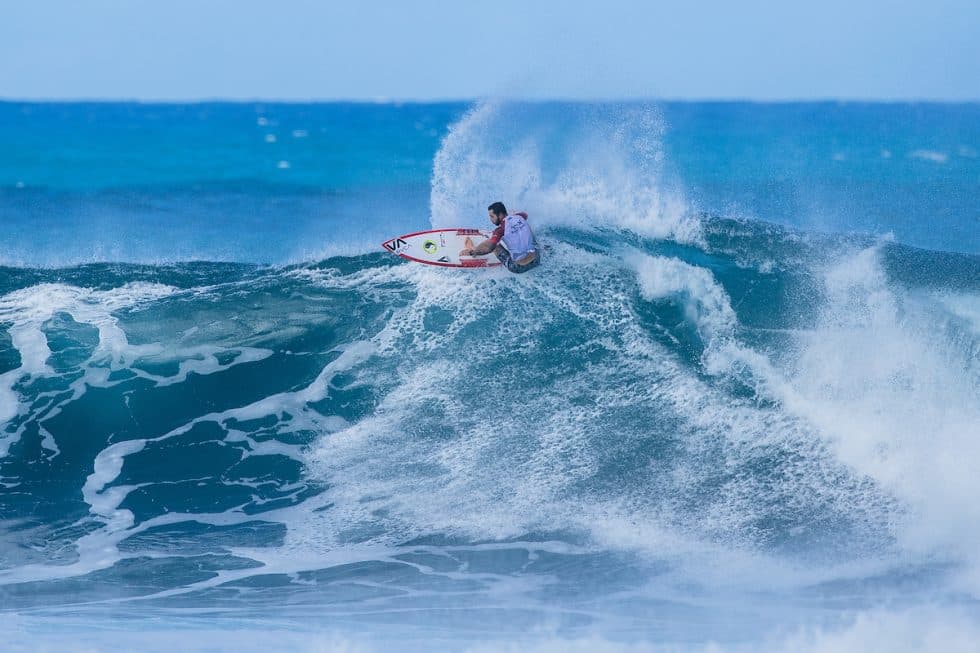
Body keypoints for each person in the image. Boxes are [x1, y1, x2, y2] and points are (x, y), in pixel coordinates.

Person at [459, 201, 540, 273]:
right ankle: (539, 247)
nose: (490, 219)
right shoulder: (520, 216)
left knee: (494, 245)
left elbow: (489, 248)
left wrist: (473, 251)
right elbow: (525, 215)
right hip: (537, 259)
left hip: (519, 267)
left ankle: (473, 250)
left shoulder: (500, 230)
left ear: (500, 215)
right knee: (525, 227)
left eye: (492, 216)